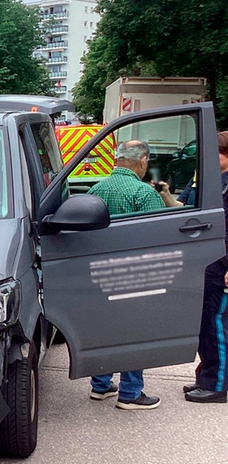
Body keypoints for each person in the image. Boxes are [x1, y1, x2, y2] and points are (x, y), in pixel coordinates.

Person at [88, 140, 167, 410]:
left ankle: (100, 385)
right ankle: (131, 393)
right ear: (143, 160)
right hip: (133, 275)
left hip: (99, 273)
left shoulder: (96, 189)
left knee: (103, 328)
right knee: (134, 332)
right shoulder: (144, 194)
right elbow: (156, 239)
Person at [184, 131, 228, 403]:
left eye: (216, 152)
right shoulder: (216, 182)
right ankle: (205, 376)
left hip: (222, 265)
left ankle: (217, 385)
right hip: (209, 261)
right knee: (205, 325)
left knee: (217, 327)